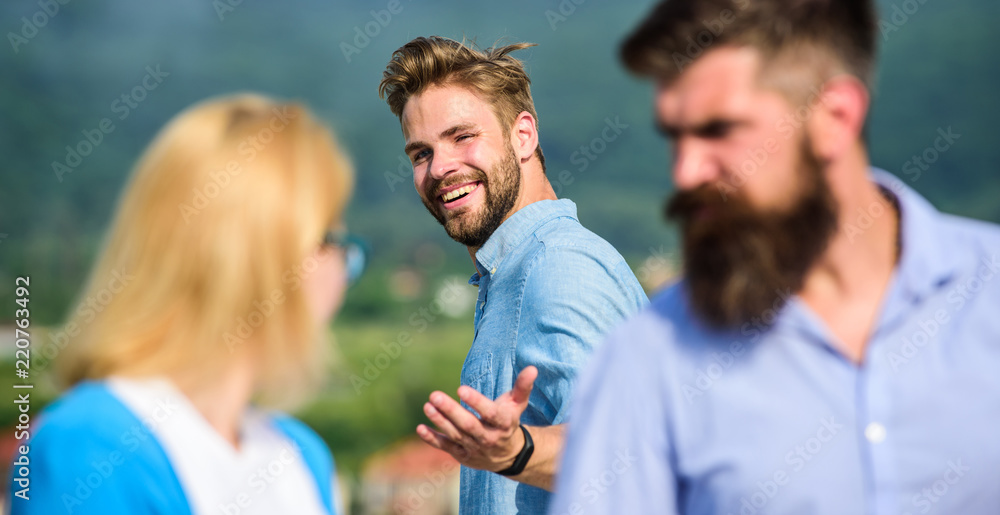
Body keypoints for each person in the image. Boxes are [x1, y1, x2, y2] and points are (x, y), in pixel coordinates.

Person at [550, 0, 1000, 514]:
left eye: (718, 130)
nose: (686, 172)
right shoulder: (647, 361)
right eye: (675, 137)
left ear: (835, 117)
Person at [10, 94, 365, 515]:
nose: (344, 272)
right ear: (276, 257)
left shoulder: (300, 456)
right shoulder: (91, 447)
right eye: (337, 244)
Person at [378, 37, 648, 514]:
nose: (440, 168)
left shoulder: (558, 269)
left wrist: (516, 451)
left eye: (462, 137)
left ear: (523, 135)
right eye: (420, 154)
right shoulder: (510, 275)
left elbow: (632, 454)